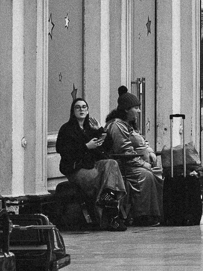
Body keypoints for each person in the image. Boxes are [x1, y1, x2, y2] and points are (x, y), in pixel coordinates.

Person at [54, 97, 127, 225]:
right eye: (78, 107)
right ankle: (110, 213)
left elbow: (108, 145)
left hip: (92, 164)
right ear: (73, 111)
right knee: (105, 179)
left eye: (84, 107)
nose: (81, 110)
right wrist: (86, 146)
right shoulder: (66, 129)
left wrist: (100, 129)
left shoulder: (90, 128)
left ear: (87, 110)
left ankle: (106, 203)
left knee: (112, 164)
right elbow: (64, 151)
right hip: (76, 168)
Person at [103, 87, 162, 224]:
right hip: (125, 166)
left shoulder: (129, 125)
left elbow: (141, 141)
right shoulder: (117, 126)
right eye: (136, 108)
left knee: (158, 175)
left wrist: (149, 151)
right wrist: (144, 164)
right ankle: (142, 215)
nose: (139, 111)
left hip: (135, 163)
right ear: (126, 109)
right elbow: (125, 152)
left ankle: (159, 213)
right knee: (145, 175)